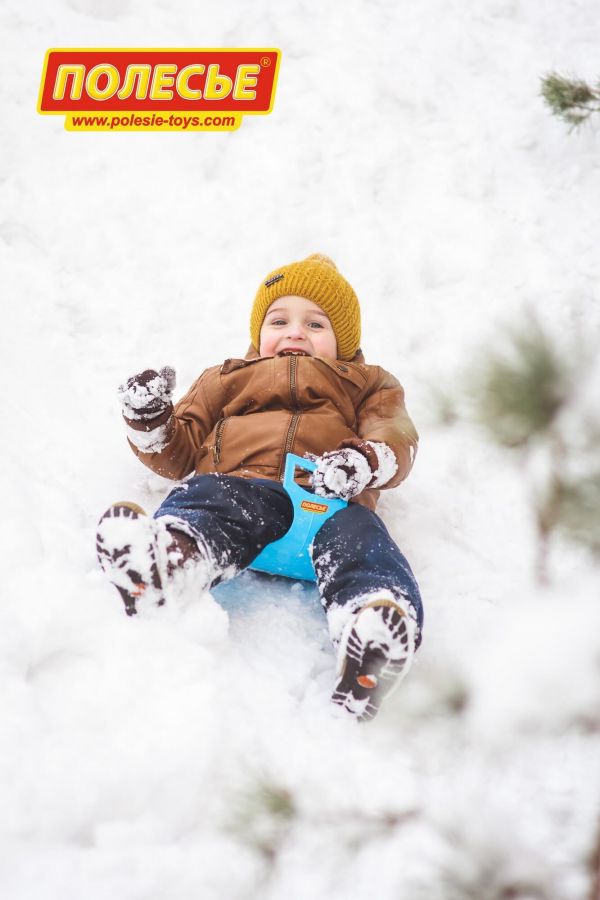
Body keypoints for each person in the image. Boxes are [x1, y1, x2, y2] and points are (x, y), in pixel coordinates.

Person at [97, 253, 423, 721]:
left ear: (343, 343)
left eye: (315, 325)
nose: (294, 333)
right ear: (259, 333)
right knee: (211, 500)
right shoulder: (225, 379)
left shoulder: (367, 383)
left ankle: (372, 628)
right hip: (245, 491)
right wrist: (151, 422)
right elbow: (180, 451)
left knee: (363, 541)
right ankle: (172, 562)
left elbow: (395, 436)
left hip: (329, 504)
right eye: (279, 320)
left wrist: (363, 461)